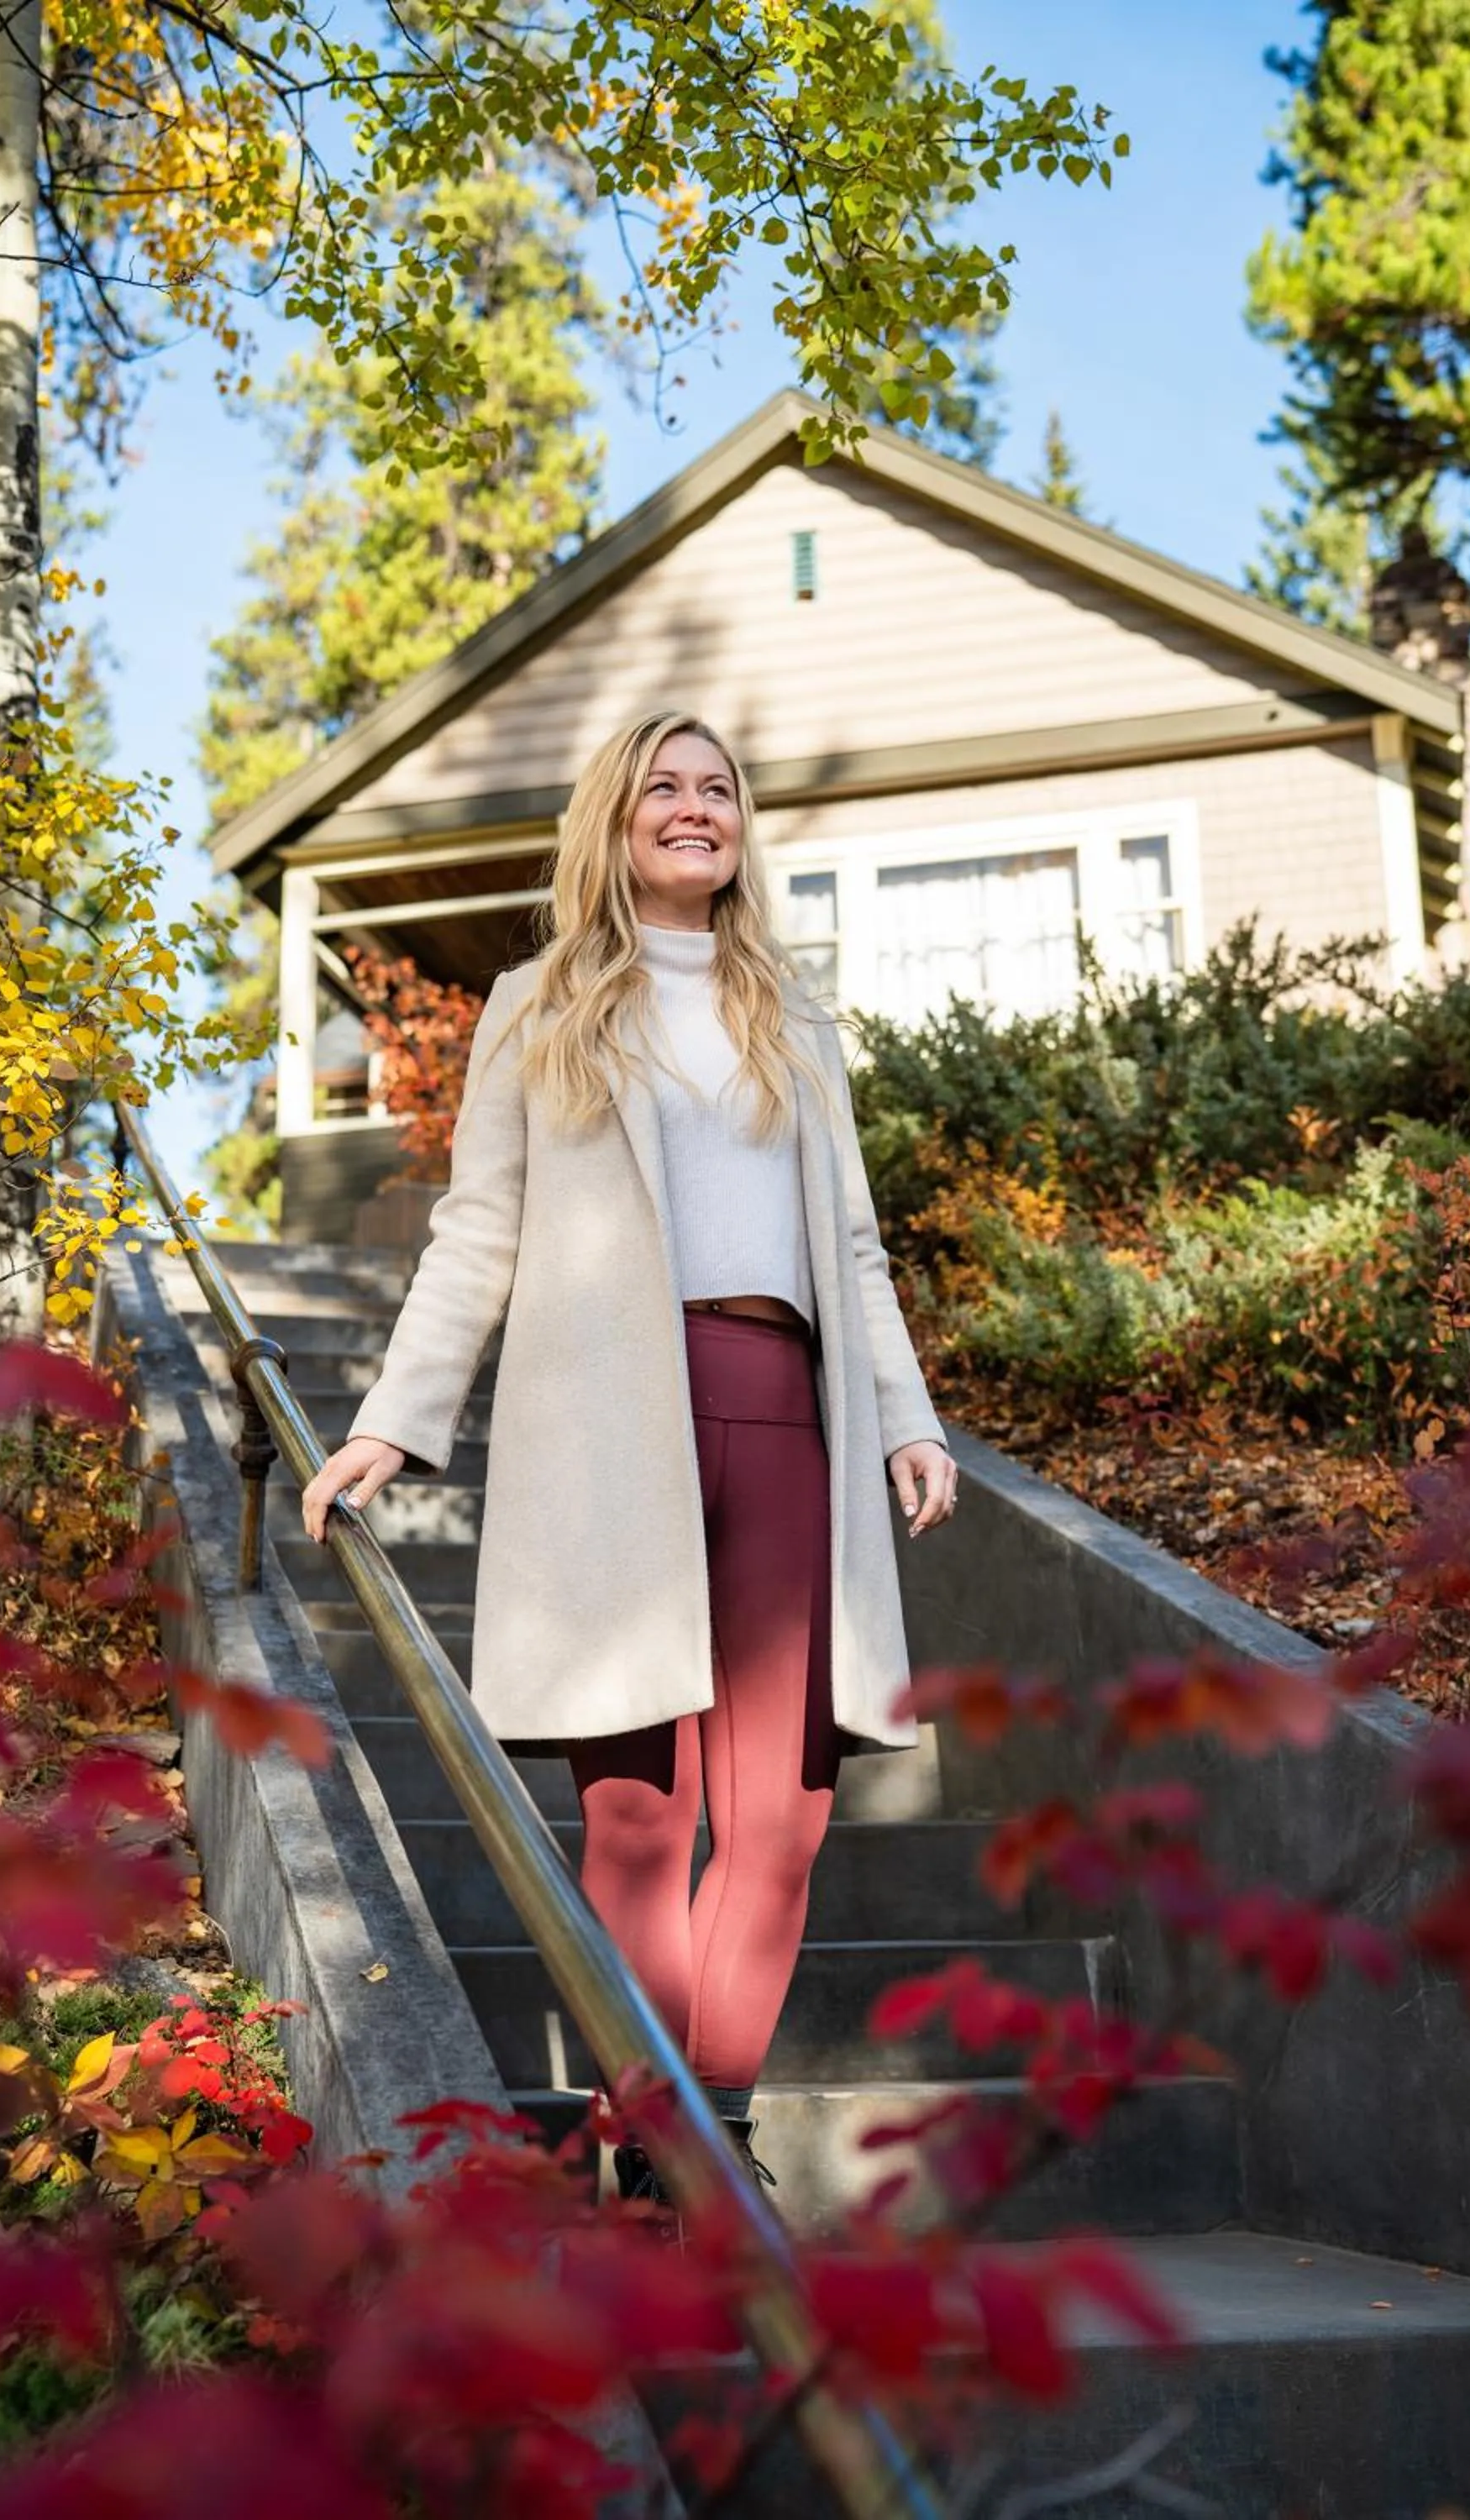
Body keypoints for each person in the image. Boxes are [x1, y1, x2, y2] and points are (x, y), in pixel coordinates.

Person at [302, 710, 958, 2198]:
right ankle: (665, 2141)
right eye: (662, 787)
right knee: (643, 1812)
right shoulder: (539, 1006)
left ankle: (696, 2125)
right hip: (611, 1434)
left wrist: (906, 1418)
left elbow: (848, 1242)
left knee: (783, 1819)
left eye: (717, 787)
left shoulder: (791, 1015)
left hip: (781, 1409)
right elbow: (479, 1231)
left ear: (741, 828)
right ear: (614, 820)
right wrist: (394, 1421)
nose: (693, 807)